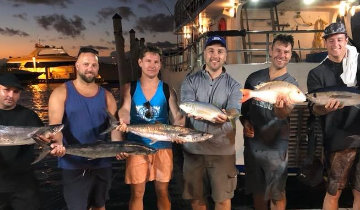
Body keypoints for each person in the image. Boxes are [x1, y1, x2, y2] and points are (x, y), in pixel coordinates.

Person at [48, 47, 121, 210]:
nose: (90, 68)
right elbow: (55, 127)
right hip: (73, 163)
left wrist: (118, 147)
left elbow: (115, 127)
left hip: (102, 161)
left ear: (98, 68)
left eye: (94, 65)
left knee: (100, 206)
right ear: (77, 66)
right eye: (86, 64)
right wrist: (57, 144)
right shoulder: (60, 93)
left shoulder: (107, 96)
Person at [116, 45, 185, 210]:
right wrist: (123, 121)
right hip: (136, 146)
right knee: (137, 193)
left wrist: (179, 130)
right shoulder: (130, 88)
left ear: (160, 65)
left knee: (163, 191)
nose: (152, 65)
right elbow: (124, 109)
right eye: (148, 61)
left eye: (156, 62)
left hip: (163, 146)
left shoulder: (167, 89)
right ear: (140, 62)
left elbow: (177, 116)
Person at [180, 35, 242, 210]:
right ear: (204, 54)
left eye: (220, 51)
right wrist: (194, 113)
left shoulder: (234, 85)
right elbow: (186, 104)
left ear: (226, 55)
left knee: (222, 200)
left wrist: (226, 115)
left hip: (222, 152)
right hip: (194, 151)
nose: (215, 55)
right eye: (211, 51)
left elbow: (234, 110)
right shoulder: (190, 81)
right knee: (196, 200)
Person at [240, 34, 298, 210]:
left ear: (291, 54)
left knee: (277, 194)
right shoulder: (254, 78)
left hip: (277, 148)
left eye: (286, 52)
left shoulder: (291, 85)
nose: (282, 55)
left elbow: (284, 114)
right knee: (258, 193)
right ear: (271, 51)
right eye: (278, 50)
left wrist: (281, 108)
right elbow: (244, 112)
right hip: (253, 145)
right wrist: (245, 124)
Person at [307, 22, 360, 210]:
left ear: (346, 40)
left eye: (339, 39)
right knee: (333, 191)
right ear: (325, 43)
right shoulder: (316, 73)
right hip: (338, 140)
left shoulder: (357, 64)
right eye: (331, 40)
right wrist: (327, 108)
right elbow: (315, 109)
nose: (335, 44)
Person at [0, 74, 62, 210]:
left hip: (24, 184)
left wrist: (54, 145)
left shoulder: (29, 116)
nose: (11, 95)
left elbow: (47, 141)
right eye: (6, 89)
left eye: (15, 91)